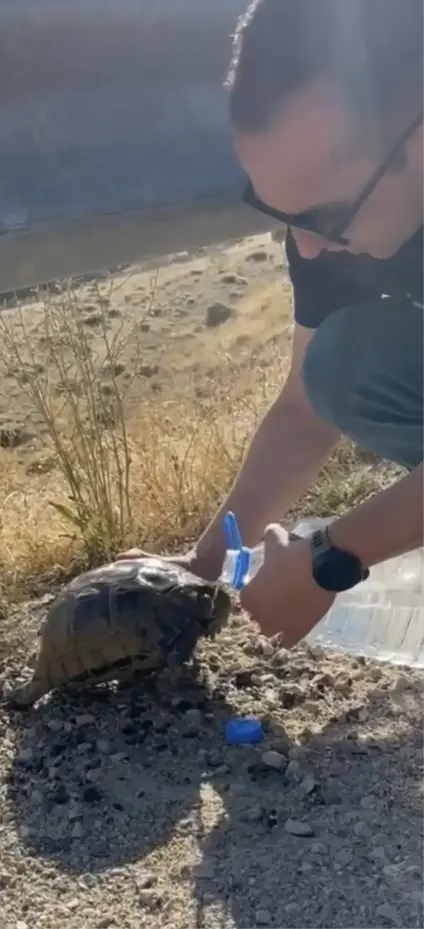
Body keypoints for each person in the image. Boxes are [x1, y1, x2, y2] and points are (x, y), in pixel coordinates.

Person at [119, 0, 424, 647]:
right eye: (276, 209)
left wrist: (333, 557)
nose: (305, 249)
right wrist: (203, 565)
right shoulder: (331, 234)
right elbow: (304, 410)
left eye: (322, 212)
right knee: (343, 364)